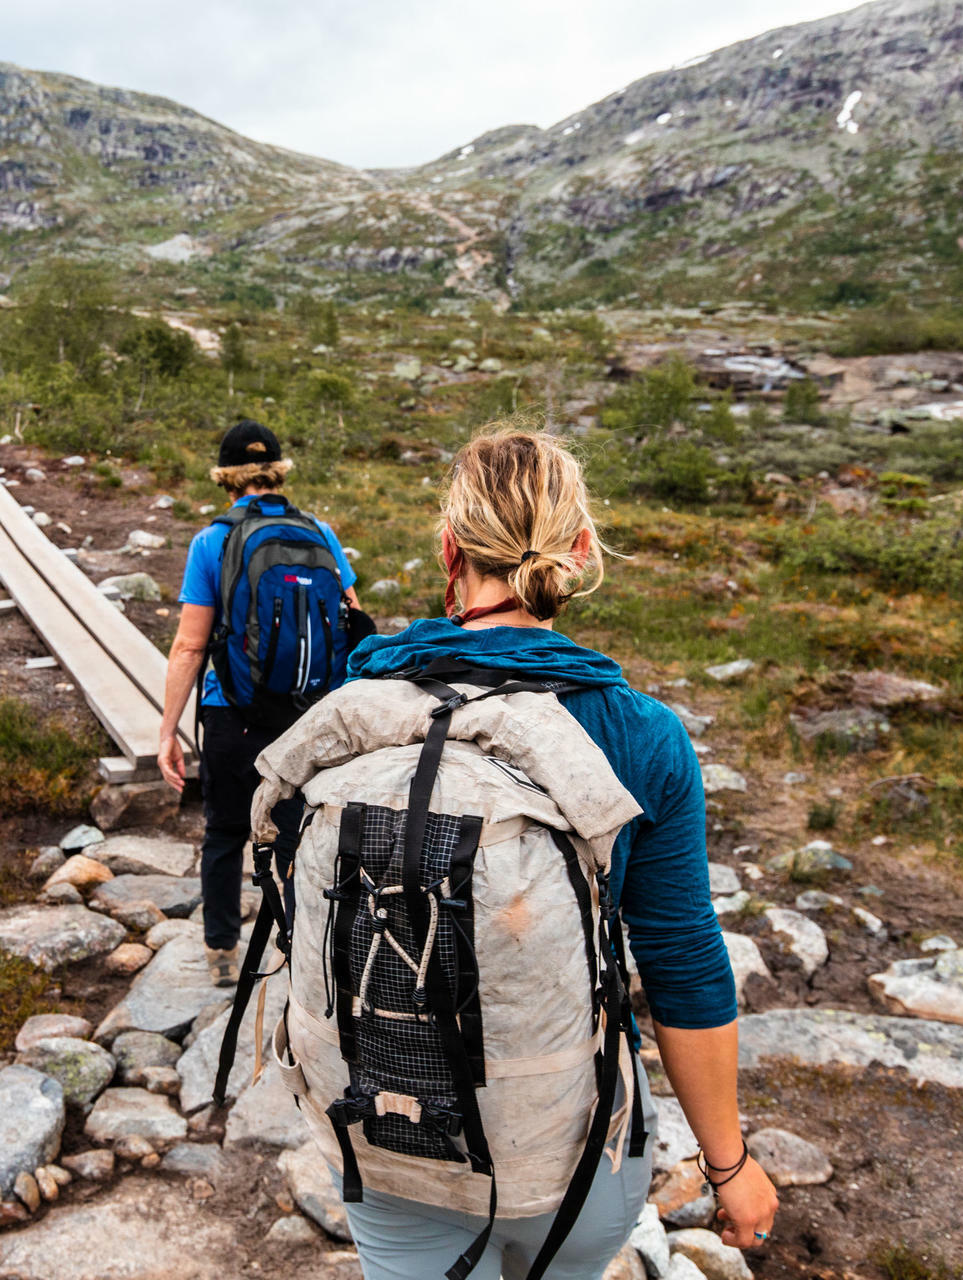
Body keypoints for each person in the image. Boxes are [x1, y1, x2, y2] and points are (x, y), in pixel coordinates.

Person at [276, 428, 777, 1278]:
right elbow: (683, 961)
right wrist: (728, 1167)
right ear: (578, 553)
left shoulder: (360, 712)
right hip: (572, 1158)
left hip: (388, 1149)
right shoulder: (640, 734)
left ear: (449, 549)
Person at [158, 419, 360, 986]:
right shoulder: (320, 533)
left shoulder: (212, 541)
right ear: (277, 473)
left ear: (226, 479)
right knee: (296, 835)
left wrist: (167, 731)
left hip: (232, 713)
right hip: (306, 713)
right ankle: (300, 955)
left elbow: (189, 645)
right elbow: (352, 616)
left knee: (225, 833)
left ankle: (223, 953)